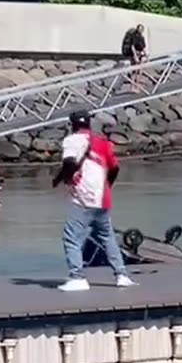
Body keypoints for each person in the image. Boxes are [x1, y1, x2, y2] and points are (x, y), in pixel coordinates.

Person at [53, 111, 135, 292]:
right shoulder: (103, 143)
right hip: (103, 199)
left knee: (71, 237)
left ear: (72, 124)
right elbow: (115, 168)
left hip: (84, 198)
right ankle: (122, 275)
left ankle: (77, 277)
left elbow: (69, 163)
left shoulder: (72, 140)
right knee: (107, 237)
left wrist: (61, 179)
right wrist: (107, 186)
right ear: (90, 124)